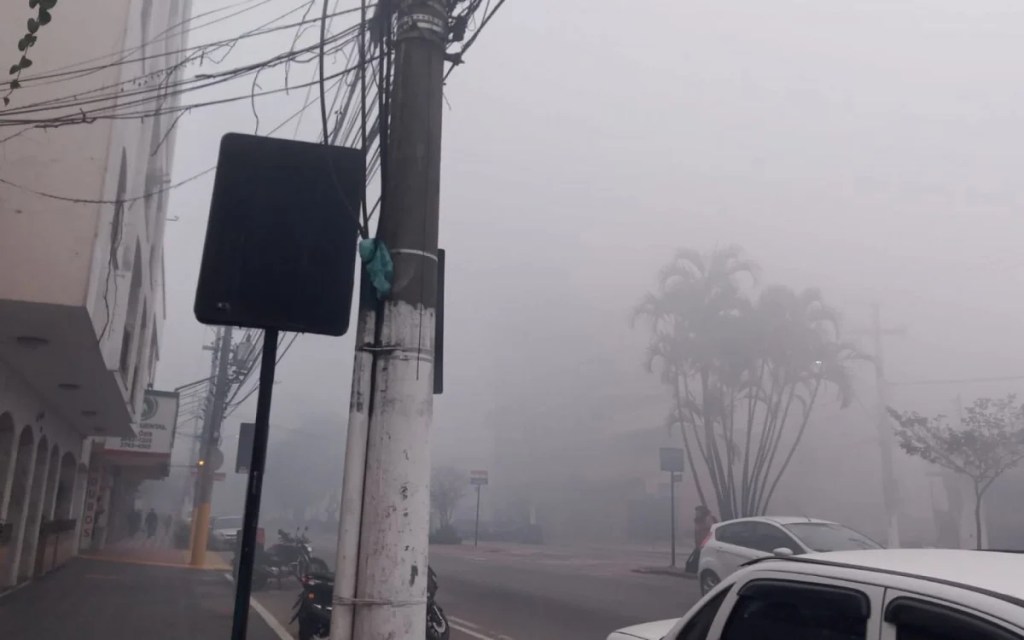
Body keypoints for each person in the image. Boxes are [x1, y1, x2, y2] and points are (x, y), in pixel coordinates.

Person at [685, 505, 718, 574]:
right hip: (700, 544)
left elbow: (710, 532)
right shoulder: (697, 521)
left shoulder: (709, 520)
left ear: (702, 512)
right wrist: (697, 544)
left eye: (698, 512)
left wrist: (705, 543)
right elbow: (697, 533)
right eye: (696, 512)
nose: (696, 514)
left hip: (707, 543)